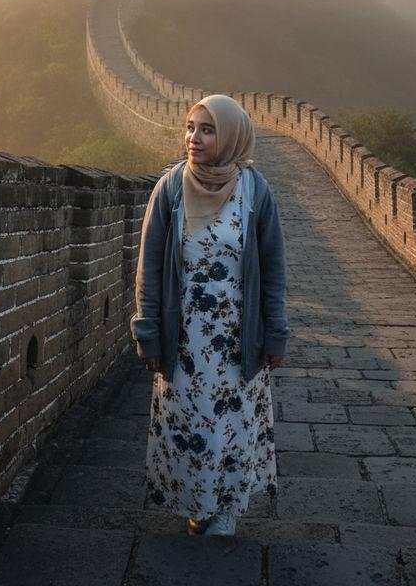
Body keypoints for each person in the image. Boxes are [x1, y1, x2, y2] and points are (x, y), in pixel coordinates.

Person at [130, 93, 288, 537]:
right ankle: (199, 505)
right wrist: (147, 333)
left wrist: (275, 335)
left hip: (238, 340)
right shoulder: (171, 188)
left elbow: (274, 268)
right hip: (185, 339)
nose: (193, 138)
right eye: (190, 127)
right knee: (192, 425)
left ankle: (226, 511)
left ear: (232, 136)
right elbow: (150, 264)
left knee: (233, 427)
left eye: (207, 129)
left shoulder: (256, 191)